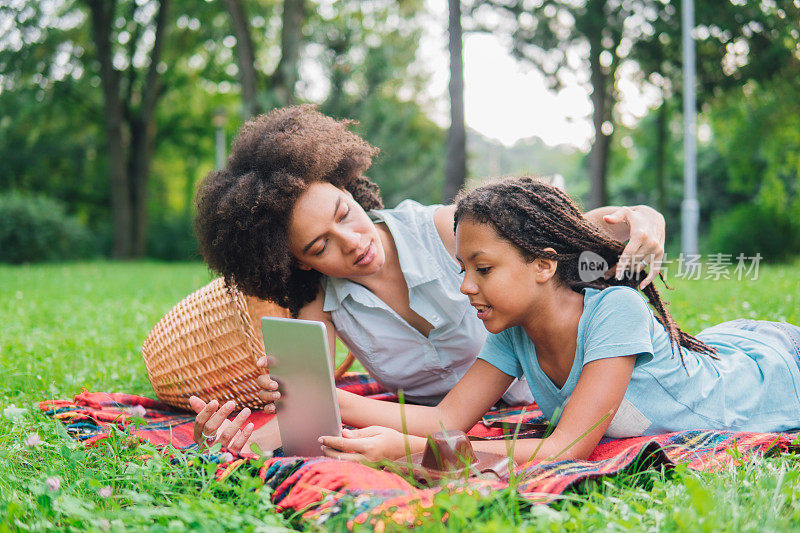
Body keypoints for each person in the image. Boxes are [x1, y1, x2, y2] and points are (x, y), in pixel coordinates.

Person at [188, 106, 667, 451]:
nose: (351, 240)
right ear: (298, 263)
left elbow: (555, 235)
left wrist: (643, 217)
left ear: (347, 185)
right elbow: (309, 414)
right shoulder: (320, 302)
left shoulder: (446, 229)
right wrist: (230, 439)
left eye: (344, 212)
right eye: (320, 246)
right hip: (442, 418)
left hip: (556, 392)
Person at [317, 177, 800, 464]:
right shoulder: (512, 334)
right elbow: (446, 419)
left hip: (773, 378)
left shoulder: (614, 309)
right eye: (462, 269)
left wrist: (410, 452)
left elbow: (565, 448)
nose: (465, 287)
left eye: (482, 269)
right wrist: (324, 396)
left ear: (544, 264)